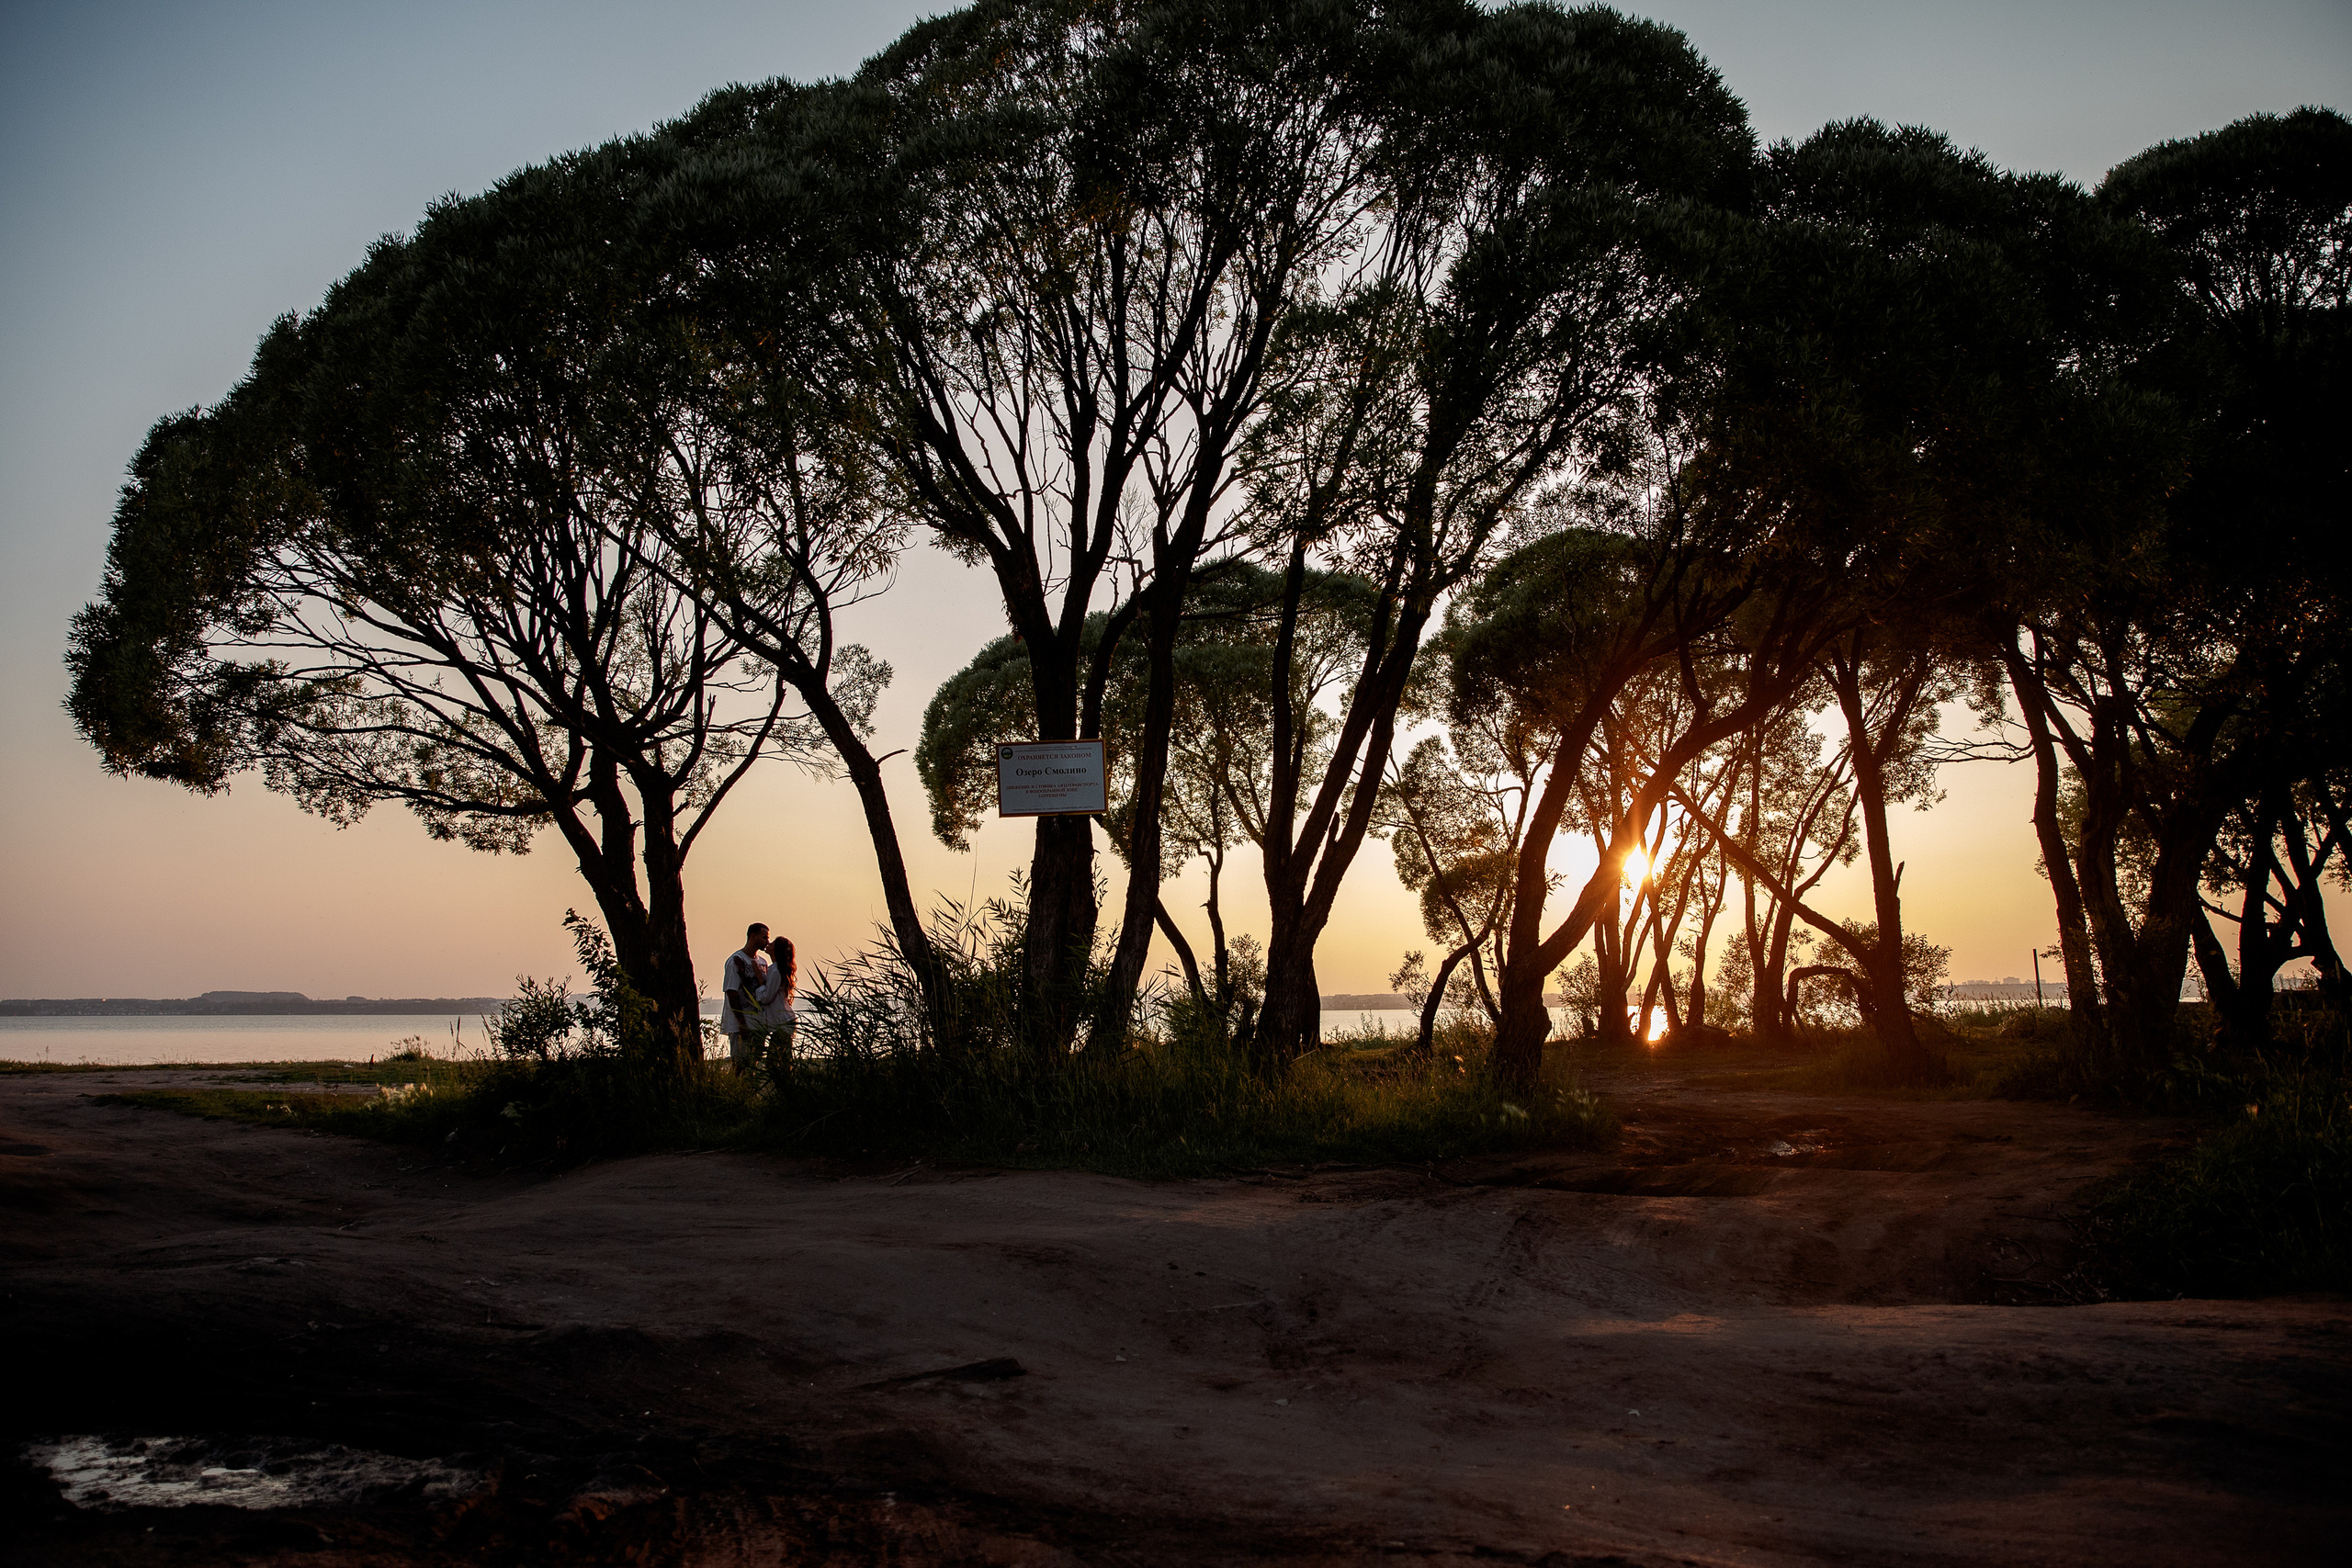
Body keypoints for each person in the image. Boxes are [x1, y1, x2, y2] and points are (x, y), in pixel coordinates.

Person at [719, 923, 775, 1071]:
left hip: (758, 1023)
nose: (767, 942)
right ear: (753, 937)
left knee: (754, 1064)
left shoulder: (763, 962)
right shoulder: (736, 961)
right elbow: (731, 992)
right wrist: (741, 1022)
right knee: (740, 1063)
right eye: (764, 938)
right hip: (741, 1025)